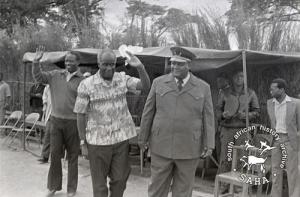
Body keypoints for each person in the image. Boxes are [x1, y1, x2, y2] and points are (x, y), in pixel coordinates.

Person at [74, 48, 150, 197]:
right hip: (97, 143)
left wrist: (140, 67)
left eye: (112, 64)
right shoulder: (86, 84)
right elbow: (80, 115)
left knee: (120, 179)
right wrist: (83, 142)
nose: (109, 68)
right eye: (105, 64)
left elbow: (145, 86)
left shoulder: (122, 78)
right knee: (99, 185)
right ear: (98, 63)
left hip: (120, 140)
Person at [138, 54, 215, 197]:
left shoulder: (203, 87)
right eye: (173, 63)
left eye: (179, 64)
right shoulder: (158, 83)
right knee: (157, 189)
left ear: (189, 65)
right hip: (161, 145)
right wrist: (142, 138)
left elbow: (208, 117)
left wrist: (209, 143)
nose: (174, 67)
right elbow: (148, 112)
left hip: (189, 147)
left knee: (183, 191)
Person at [32, 46, 84, 197]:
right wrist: (36, 62)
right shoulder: (55, 75)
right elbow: (39, 77)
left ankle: (72, 189)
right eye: (66, 60)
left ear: (78, 63)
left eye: (71, 61)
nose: (68, 63)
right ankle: (53, 187)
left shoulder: (83, 81)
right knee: (55, 154)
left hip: (74, 123)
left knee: (73, 157)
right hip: (56, 121)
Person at [216, 70, 260, 184]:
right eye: (236, 76)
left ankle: (238, 186)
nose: (239, 78)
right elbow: (217, 110)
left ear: (245, 78)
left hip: (243, 130)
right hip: (227, 129)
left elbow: (257, 112)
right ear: (232, 78)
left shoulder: (250, 93)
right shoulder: (224, 93)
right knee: (226, 157)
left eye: (241, 76)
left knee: (242, 157)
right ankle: (224, 185)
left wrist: (246, 115)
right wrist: (222, 115)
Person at [267, 78, 300, 197]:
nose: (270, 91)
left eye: (273, 89)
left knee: (292, 171)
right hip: (275, 140)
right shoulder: (270, 103)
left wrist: (296, 137)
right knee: (275, 170)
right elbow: (271, 123)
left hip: (290, 140)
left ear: (281, 89)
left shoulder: (295, 103)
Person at [38, 84, 52, 164]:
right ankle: (45, 156)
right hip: (50, 114)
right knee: (47, 135)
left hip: (60, 114)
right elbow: (45, 97)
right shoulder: (48, 86)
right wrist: (45, 105)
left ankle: (48, 156)